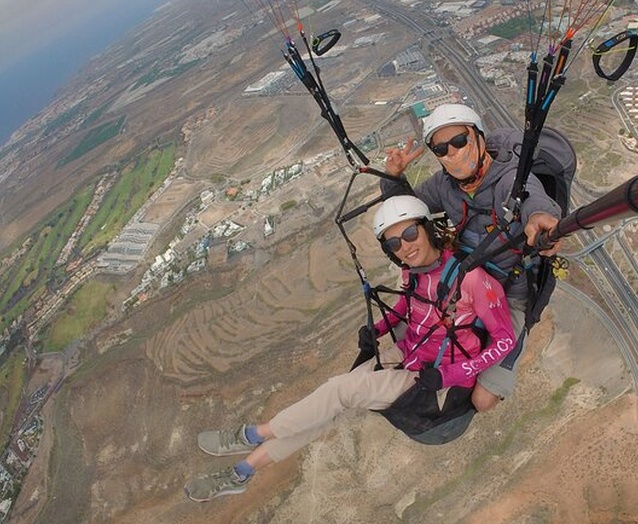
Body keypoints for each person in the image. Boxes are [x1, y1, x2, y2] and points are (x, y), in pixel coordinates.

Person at [184, 195, 515, 503]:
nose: (405, 246)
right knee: (329, 406)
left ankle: (252, 433)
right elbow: (408, 307)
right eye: (394, 243)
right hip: (408, 354)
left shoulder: (471, 279)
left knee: (339, 391)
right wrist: (377, 329)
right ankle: (241, 472)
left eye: (410, 233)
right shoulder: (411, 273)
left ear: (427, 229)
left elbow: (505, 339)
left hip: (439, 379)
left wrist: (451, 374)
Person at [381, 103, 564, 412]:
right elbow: (406, 217)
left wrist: (540, 219)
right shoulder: (444, 186)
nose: (452, 153)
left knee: (482, 400)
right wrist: (393, 177)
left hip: (510, 293)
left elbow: (532, 198)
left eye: (459, 141)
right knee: (410, 340)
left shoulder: (510, 179)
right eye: (441, 148)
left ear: (478, 137)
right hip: (463, 286)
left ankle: (498, 358)